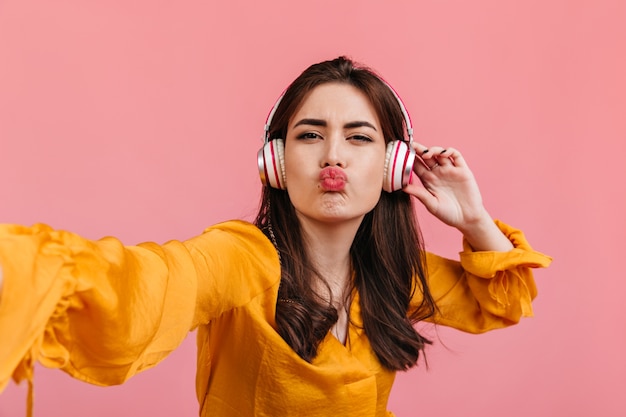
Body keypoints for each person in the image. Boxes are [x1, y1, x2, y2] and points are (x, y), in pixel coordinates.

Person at [0, 56, 551, 417]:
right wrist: (28, 270)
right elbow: (152, 283)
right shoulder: (241, 257)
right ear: (277, 163)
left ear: (392, 167)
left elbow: (500, 302)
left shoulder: (397, 276)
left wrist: (474, 220)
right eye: (310, 135)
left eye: (358, 138)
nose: (333, 155)